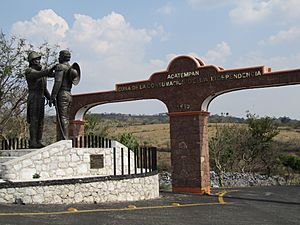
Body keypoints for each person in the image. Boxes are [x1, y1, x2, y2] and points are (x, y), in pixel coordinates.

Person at [25, 51, 54, 148]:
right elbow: (38, 74)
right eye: (36, 59)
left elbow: (44, 89)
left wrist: (50, 98)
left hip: (41, 97)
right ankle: (33, 141)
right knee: (34, 120)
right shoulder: (29, 71)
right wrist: (49, 71)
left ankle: (38, 140)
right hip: (34, 97)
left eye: (39, 59)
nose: (38, 61)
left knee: (41, 121)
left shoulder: (42, 74)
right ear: (32, 61)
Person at [50, 50, 73, 140]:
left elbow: (58, 82)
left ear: (62, 57)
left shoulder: (60, 67)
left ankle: (64, 138)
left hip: (62, 94)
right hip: (69, 94)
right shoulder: (70, 68)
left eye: (59, 56)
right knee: (66, 117)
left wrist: (52, 96)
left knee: (62, 117)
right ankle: (65, 137)